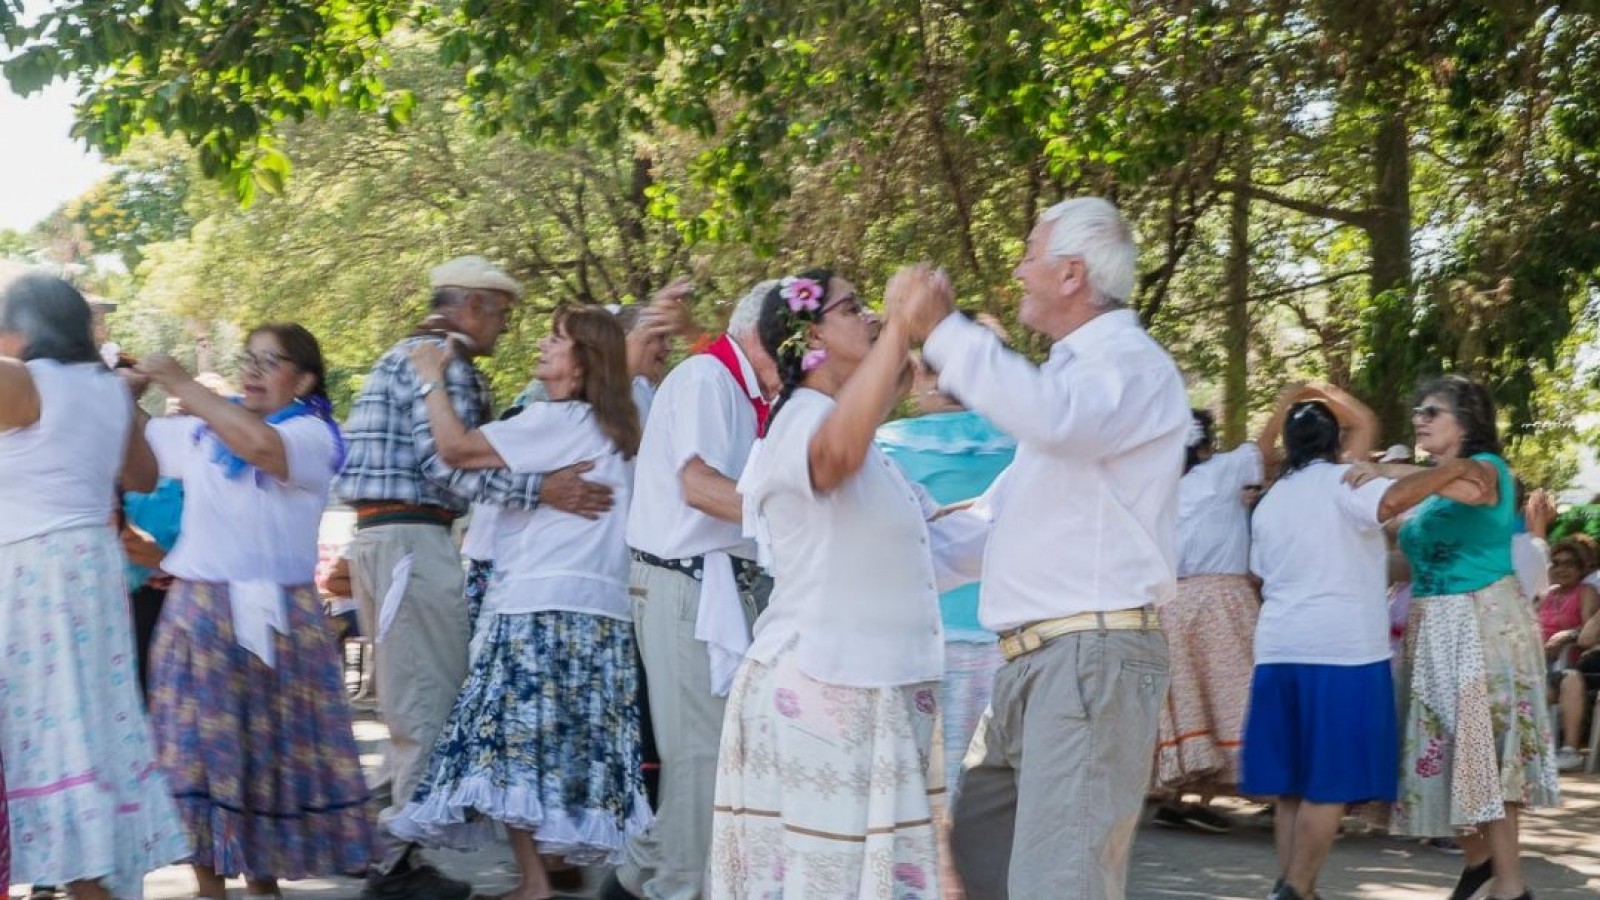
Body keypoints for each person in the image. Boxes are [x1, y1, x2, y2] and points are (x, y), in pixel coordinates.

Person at [899, 197, 1190, 900]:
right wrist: (870, 556)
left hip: (1087, 659)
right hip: (1037, 665)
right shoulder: (1068, 381)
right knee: (979, 855)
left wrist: (945, 331)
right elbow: (990, 528)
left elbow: (1057, 423)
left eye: (1031, 255)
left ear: (1071, 274)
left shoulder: (1129, 365)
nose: (1019, 271)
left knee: (1060, 883)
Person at [336, 256, 612, 900]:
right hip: (412, 538)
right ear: (473, 307)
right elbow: (452, 463)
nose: (507, 329)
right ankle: (398, 866)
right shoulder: (447, 365)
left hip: (389, 538)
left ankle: (393, 848)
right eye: (503, 314)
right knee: (427, 701)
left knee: (411, 697)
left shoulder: (407, 354)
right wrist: (542, 489)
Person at [708, 268, 955, 896]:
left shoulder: (867, 445)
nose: (870, 317)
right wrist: (901, 327)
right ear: (812, 335)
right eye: (853, 308)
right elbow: (831, 459)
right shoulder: (801, 417)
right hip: (824, 689)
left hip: (865, 686)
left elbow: (927, 551)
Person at [391, 306, 652, 898]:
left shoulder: (555, 419)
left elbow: (455, 450)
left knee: (508, 747)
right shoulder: (623, 425)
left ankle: (535, 880)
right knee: (564, 749)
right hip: (603, 614)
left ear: (581, 363)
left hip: (538, 605)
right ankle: (550, 873)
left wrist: (431, 377)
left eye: (556, 339)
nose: (542, 344)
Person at [134, 325, 377, 897]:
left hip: (277, 620)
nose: (253, 371)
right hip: (198, 613)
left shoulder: (311, 433)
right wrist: (123, 396)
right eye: (250, 359)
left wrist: (180, 383)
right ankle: (210, 889)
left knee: (265, 757)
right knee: (195, 756)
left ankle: (265, 885)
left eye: (271, 362)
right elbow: (138, 461)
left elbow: (262, 449)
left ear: (305, 380)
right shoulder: (205, 429)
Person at [0, 269, 188, 900]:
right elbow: (142, 476)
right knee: (86, 733)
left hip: (33, 574)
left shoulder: (22, 380)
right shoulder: (107, 390)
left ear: (22, 329)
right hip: (92, 572)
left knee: (45, 732)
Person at [1353, 375, 1560, 900]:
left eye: (1432, 412)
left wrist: (1385, 469)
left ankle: (1510, 885)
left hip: (1480, 620)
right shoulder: (1430, 497)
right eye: (1417, 411)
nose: (1419, 419)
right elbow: (1409, 558)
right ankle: (1480, 861)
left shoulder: (1486, 468)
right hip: (1433, 624)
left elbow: (1472, 486)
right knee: (1446, 755)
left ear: (1465, 422)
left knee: (1485, 753)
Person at [605, 281, 780, 900]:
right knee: (702, 759)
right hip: (686, 585)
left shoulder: (742, 384)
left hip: (715, 585)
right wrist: (795, 519)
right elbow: (700, 486)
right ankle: (674, 885)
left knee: (712, 755)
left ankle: (637, 878)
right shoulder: (709, 380)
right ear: (763, 337)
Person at [1153, 386, 1336, 834]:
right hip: (1220, 599)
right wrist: (1288, 400)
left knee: (1192, 699)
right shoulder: (1220, 472)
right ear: (1204, 446)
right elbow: (1263, 448)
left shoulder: (1154, 488)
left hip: (1170, 604)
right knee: (1244, 695)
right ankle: (1280, 790)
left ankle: (1183, 795)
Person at [1241, 391, 1401, 900]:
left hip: (1279, 647)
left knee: (1291, 784)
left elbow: (1259, 573)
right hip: (1344, 650)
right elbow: (1392, 504)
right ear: (1335, 442)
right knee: (1330, 780)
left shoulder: (1269, 502)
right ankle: (1296, 888)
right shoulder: (1350, 482)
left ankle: (1292, 888)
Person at [875, 353, 1016, 793]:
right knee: (984, 775)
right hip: (1001, 632)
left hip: (918, 630)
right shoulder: (1019, 440)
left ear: (922, 377)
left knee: (913, 774)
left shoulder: (889, 443)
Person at [1537, 540, 1600, 771]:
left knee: (1570, 679)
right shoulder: (1545, 595)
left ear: (1581, 568)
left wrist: (1567, 634)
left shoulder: (1586, 592)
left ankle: (1569, 751)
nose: (1562, 569)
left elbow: (1589, 633)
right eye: (1556, 563)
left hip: (1565, 665)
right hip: (1536, 665)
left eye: (1569, 564)